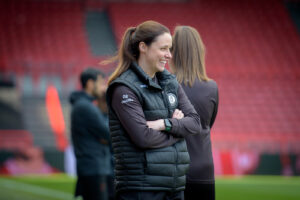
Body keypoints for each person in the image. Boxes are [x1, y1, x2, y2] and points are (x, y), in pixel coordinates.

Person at [104, 20, 208, 200]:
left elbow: (195, 123)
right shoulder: (124, 88)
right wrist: (178, 128)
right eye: (163, 49)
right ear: (143, 47)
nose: (169, 55)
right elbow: (143, 137)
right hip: (141, 188)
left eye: (170, 49)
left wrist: (164, 124)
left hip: (174, 186)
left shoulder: (170, 82)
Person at [170, 26, 219, 200]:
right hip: (203, 169)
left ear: (173, 52)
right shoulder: (212, 87)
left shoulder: (165, 85)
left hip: (174, 169)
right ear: (200, 51)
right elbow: (206, 125)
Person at [70, 68, 112, 200]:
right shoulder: (85, 107)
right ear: (89, 83)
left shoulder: (84, 105)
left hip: (92, 168)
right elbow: (110, 134)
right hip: (94, 168)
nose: (103, 88)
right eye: (100, 83)